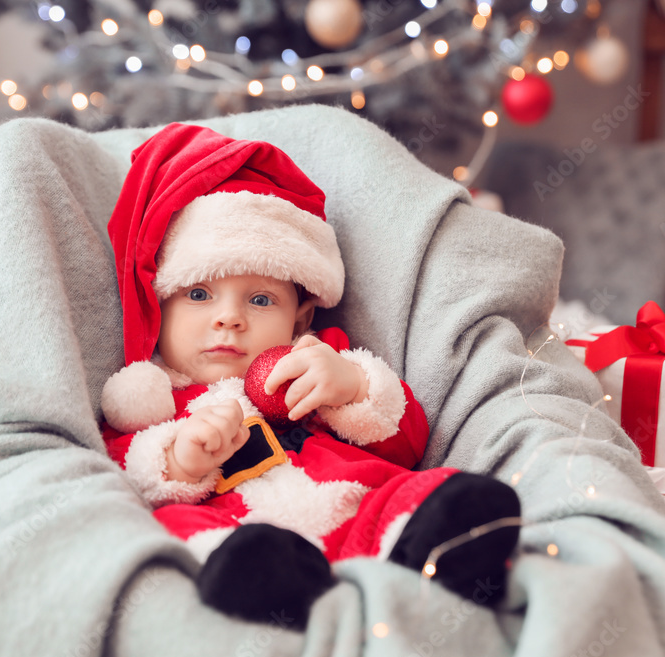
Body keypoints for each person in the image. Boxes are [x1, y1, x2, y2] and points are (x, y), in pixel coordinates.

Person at [100, 122, 520, 629]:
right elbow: (129, 478)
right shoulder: (154, 401)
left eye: (260, 300)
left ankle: (433, 552)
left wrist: (354, 387)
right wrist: (181, 458)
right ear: (158, 309)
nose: (228, 318)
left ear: (298, 319)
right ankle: (265, 594)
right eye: (198, 295)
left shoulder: (314, 360)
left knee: (423, 493)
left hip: (351, 509)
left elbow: (407, 443)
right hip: (241, 531)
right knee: (180, 528)